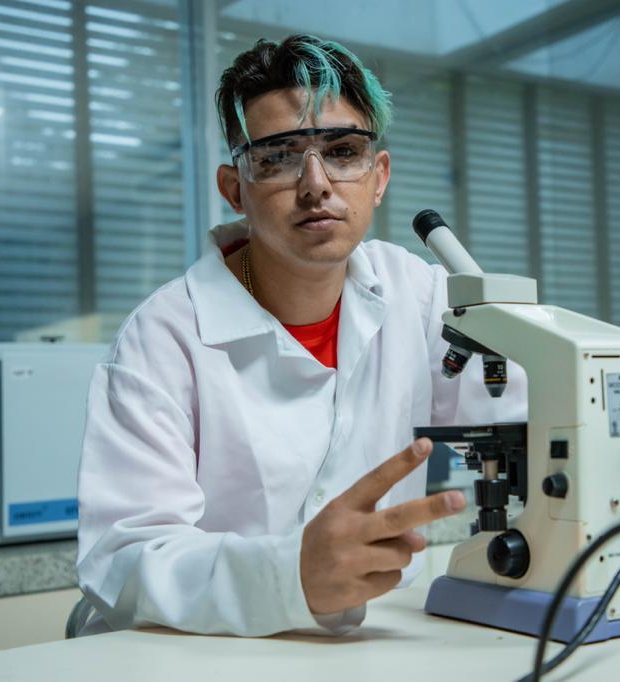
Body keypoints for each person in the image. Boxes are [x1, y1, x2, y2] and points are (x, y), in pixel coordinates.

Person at [76, 34, 526, 637]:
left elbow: (530, 415)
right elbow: (123, 559)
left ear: (379, 176)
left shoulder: (420, 296)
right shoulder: (164, 336)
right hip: (209, 653)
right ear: (234, 189)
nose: (316, 184)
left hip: (382, 643)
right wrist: (288, 576)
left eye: (342, 151)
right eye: (278, 157)